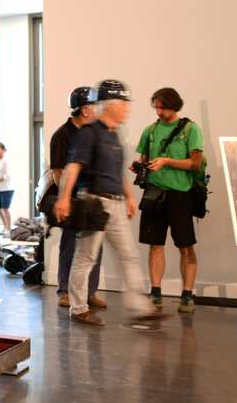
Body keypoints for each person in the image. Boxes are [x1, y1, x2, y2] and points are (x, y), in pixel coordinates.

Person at [53, 80, 164, 327]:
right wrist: (63, 198)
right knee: (86, 257)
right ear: (111, 106)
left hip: (114, 205)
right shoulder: (89, 133)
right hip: (94, 203)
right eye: (124, 104)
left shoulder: (114, 135)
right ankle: (78, 308)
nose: (128, 109)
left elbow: (118, 171)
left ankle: (140, 307)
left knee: (128, 255)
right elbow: (73, 167)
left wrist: (129, 196)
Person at [134, 87, 204, 313]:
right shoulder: (150, 131)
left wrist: (166, 161)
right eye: (156, 107)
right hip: (154, 193)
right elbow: (143, 158)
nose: (158, 111)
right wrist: (139, 167)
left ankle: (187, 294)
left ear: (174, 105)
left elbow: (194, 163)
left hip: (180, 195)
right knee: (155, 245)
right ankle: (155, 292)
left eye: (162, 107)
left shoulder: (190, 129)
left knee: (186, 246)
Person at [48, 87, 106, 310]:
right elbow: (57, 171)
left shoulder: (93, 133)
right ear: (84, 109)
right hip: (72, 199)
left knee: (94, 248)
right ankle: (65, 291)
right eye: (93, 105)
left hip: (93, 199)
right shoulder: (62, 135)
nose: (96, 110)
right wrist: (67, 197)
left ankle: (89, 292)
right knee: (70, 245)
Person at [0, 142, 14, 236]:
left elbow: (6, 176)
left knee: (5, 208)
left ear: (3, 150)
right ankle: (5, 226)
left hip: (7, 188)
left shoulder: (6, 161)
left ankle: (8, 228)